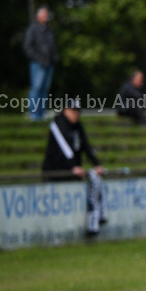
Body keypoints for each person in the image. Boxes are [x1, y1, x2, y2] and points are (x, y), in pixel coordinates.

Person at [42, 98, 107, 236]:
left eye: (78, 111)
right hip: (55, 171)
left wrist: (97, 164)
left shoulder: (78, 126)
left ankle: (95, 220)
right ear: (66, 110)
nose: (76, 114)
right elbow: (65, 148)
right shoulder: (57, 124)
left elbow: (86, 146)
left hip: (72, 171)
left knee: (95, 183)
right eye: (73, 111)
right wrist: (73, 167)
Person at [24, 6, 59, 121]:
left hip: (49, 64)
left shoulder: (48, 29)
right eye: (44, 14)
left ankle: (42, 113)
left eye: (46, 14)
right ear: (38, 16)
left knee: (44, 89)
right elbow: (28, 47)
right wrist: (39, 58)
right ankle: (34, 114)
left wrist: (54, 58)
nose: (46, 16)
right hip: (38, 64)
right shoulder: (33, 29)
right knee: (36, 88)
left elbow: (52, 46)